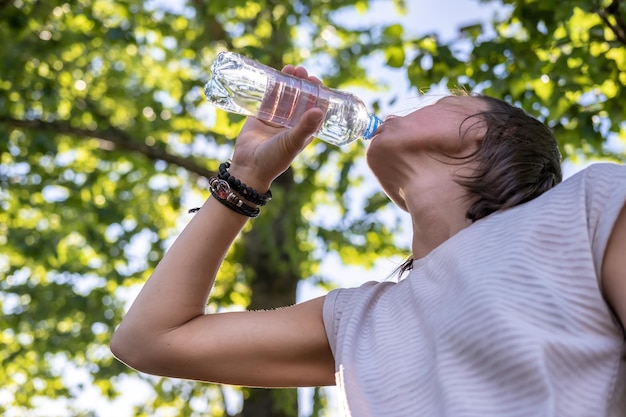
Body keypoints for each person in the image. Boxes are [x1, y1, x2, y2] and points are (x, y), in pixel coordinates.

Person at [111, 64, 626, 416]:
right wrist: (243, 180)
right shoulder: (360, 317)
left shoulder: (589, 205)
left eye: (440, 101)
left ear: (491, 135)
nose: (402, 110)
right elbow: (149, 341)